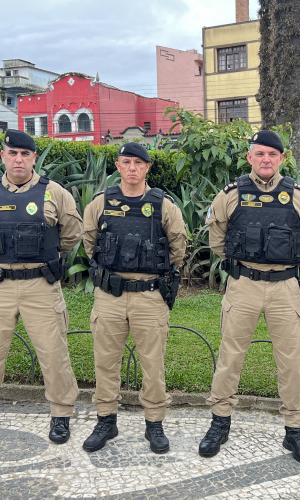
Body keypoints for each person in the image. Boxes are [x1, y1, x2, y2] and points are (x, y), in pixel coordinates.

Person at [198, 130, 300, 465]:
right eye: (260, 154)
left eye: (272, 154)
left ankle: (295, 429)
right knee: (230, 356)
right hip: (244, 284)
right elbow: (217, 238)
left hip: (285, 287)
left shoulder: (299, 195)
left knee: (291, 360)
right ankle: (220, 421)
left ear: (282, 158)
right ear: (250, 157)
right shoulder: (231, 194)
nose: (266, 159)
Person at [0, 130, 83, 445]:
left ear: (34, 157)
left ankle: (61, 414)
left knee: (53, 353)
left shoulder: (55, 192)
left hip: (41, 284)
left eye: (25, 154)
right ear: (3, 156)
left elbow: (72, 233)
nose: (18, 159)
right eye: (12, 153)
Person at [80, 142, 186, 454]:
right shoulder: (100, 203)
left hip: (149, 296)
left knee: (153, 364)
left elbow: (177, 246)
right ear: (117, 165)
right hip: (109, 295)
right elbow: (90, 242)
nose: (132, 168)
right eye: (126, 162)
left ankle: (154, 423)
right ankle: (105, 419)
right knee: (106, 362)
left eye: (138, 163)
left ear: (147, 168)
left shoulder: (164, 205)